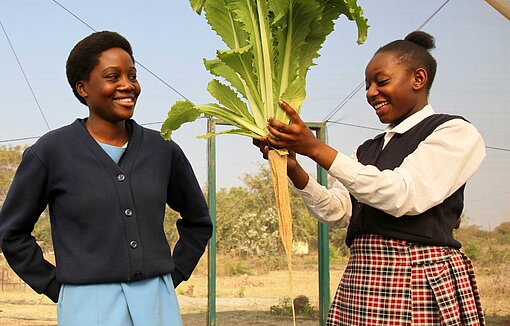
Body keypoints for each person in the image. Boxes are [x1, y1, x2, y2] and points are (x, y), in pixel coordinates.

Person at [257, 31, 486, 325]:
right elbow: (338, 211)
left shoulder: (453, 132)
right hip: (363, 276)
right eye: (367, 85)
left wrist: (315, 148)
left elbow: (403, 194)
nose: (370, 93)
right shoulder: (368, 149)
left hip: (417, 276)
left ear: (419, 79)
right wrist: (294, 168)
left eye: (381, 81)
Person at [0, 31, 212, 325]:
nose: (128, 85)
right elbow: (11, 233)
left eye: (132, 76)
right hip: (87, 305)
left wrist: (175, 272)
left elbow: (199, 221)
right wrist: (53, 285)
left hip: (158, 303)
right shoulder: (49, 153)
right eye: (113, 76)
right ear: (83, 87)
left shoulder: (163, 149)